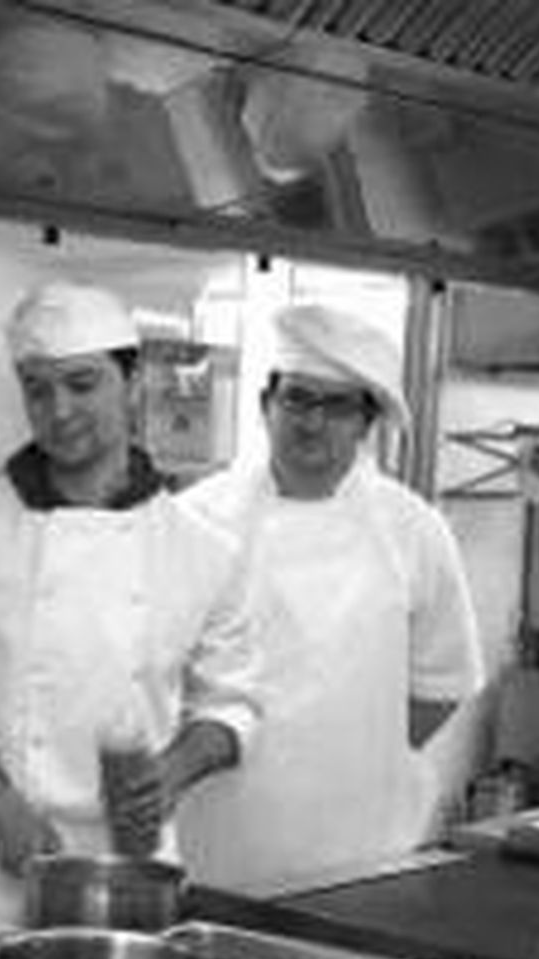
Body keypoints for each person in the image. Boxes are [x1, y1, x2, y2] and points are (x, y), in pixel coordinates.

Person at [0, 280, 263, 939]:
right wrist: (0, 804)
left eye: (82, 383)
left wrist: (172, 773)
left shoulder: (202, 548)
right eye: (38, 389)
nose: (59, 410)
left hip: (132, 859)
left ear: (132, 384)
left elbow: (231, 704)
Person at [177, 302, 485, 892]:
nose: (312, 422)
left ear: (365, 423)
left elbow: (442, 686)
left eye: (338, 406)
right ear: (266, 405)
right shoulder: (195, 519)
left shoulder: (413, 529)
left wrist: (351, 752)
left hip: (365, 849)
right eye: (296, 398)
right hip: (223, 843)